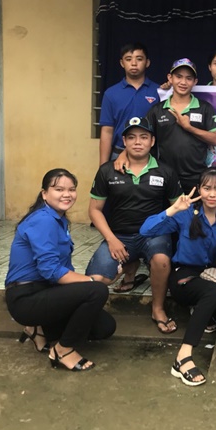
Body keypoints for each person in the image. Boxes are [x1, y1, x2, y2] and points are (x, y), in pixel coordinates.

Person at [5, 169, 115, 371]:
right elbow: (51, 271)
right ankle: (62, 351)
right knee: (97, 290)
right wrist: (92, 281)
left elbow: (63, 270)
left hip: (46, 291)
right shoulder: (43, 219)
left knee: (104, 327)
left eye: (72, 189)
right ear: (44, 193)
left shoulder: (59, 219)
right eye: (59, 189)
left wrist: (90, 281)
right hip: (26, 297)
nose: (67, 194)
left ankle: (37, 329)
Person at [86, 117, 182, 334]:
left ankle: (158, 309)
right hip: (119, 236)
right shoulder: (107, 171)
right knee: (97, 280)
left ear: (152, 141)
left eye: (143, 137)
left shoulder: (165, 171)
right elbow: (94, 210)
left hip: (154, 236)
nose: (137, 142)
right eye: (131, 137)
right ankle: (128, 267)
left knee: (161, 260)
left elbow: (178, 208)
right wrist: (111, 240)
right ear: (124, 141)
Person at [140, 167, 216, 386]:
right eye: (207, 188)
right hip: (184, 276)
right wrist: (173, 209)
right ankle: (183, 356)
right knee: (214, 292)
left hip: (213, 274)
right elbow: (146, 230)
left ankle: (203, 310)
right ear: (199, 189)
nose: (212, 194)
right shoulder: (186, 214)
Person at [143, 58, 216, 194]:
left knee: (195, 209)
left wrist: (189, 128)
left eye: (188, 78)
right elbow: (144, 140)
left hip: (196, 177)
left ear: (195, 81)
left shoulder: (205, 108)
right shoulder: (157, 110)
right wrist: (123, 155)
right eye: (179, 77)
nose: (183, 82)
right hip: (165, 176)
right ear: (170, 78)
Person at [99, 42, 160, 165]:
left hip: (150, 153)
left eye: (139, 59)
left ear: (147, 62)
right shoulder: (111, 93)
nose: (134, 63)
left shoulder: (159, 91)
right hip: (118, 153)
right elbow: (107, 131)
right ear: (122, 63)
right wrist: (102, 166)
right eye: (128, 59)